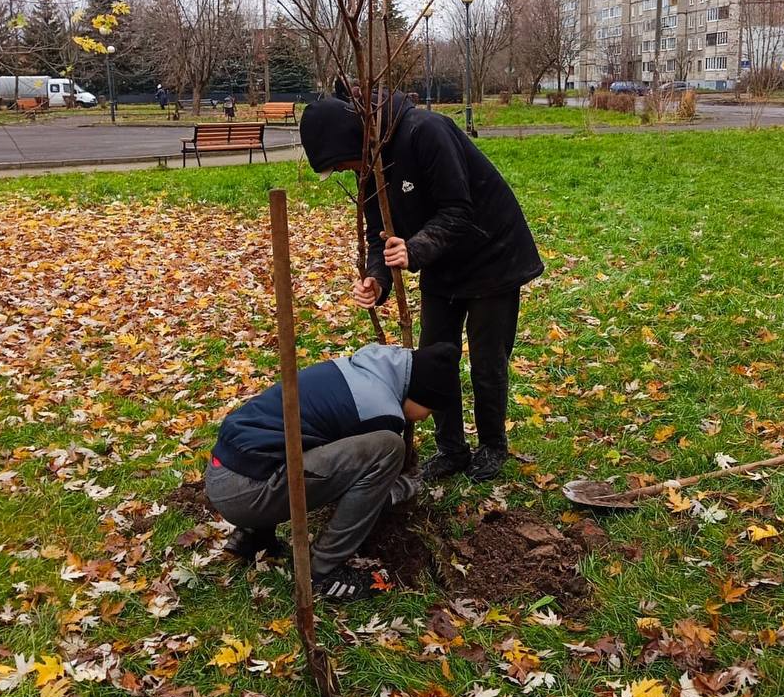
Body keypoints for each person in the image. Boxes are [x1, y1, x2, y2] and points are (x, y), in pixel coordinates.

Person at [299, 96, 543, 484]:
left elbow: (458, 209)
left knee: (487, 360)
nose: (346, 171)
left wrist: (414, 249)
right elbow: (379, 236)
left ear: (354, 141)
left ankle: (493, 445)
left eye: (343, 163)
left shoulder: (426, 131)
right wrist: (376, 279)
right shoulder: (369, 171)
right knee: (434, 358)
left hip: (492, 257)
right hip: (440, 264)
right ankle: (451, 448)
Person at [205, 341, 461, 600]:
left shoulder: (362, 369)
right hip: (246, 492)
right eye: (430, 409)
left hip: (224, 469)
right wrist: (401, 489)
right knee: (389, 447)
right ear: (420, 393)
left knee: (297, 435)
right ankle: (323, 572)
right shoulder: (380, 411)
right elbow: (359, 488)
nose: (426, 417)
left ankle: (254, 534)